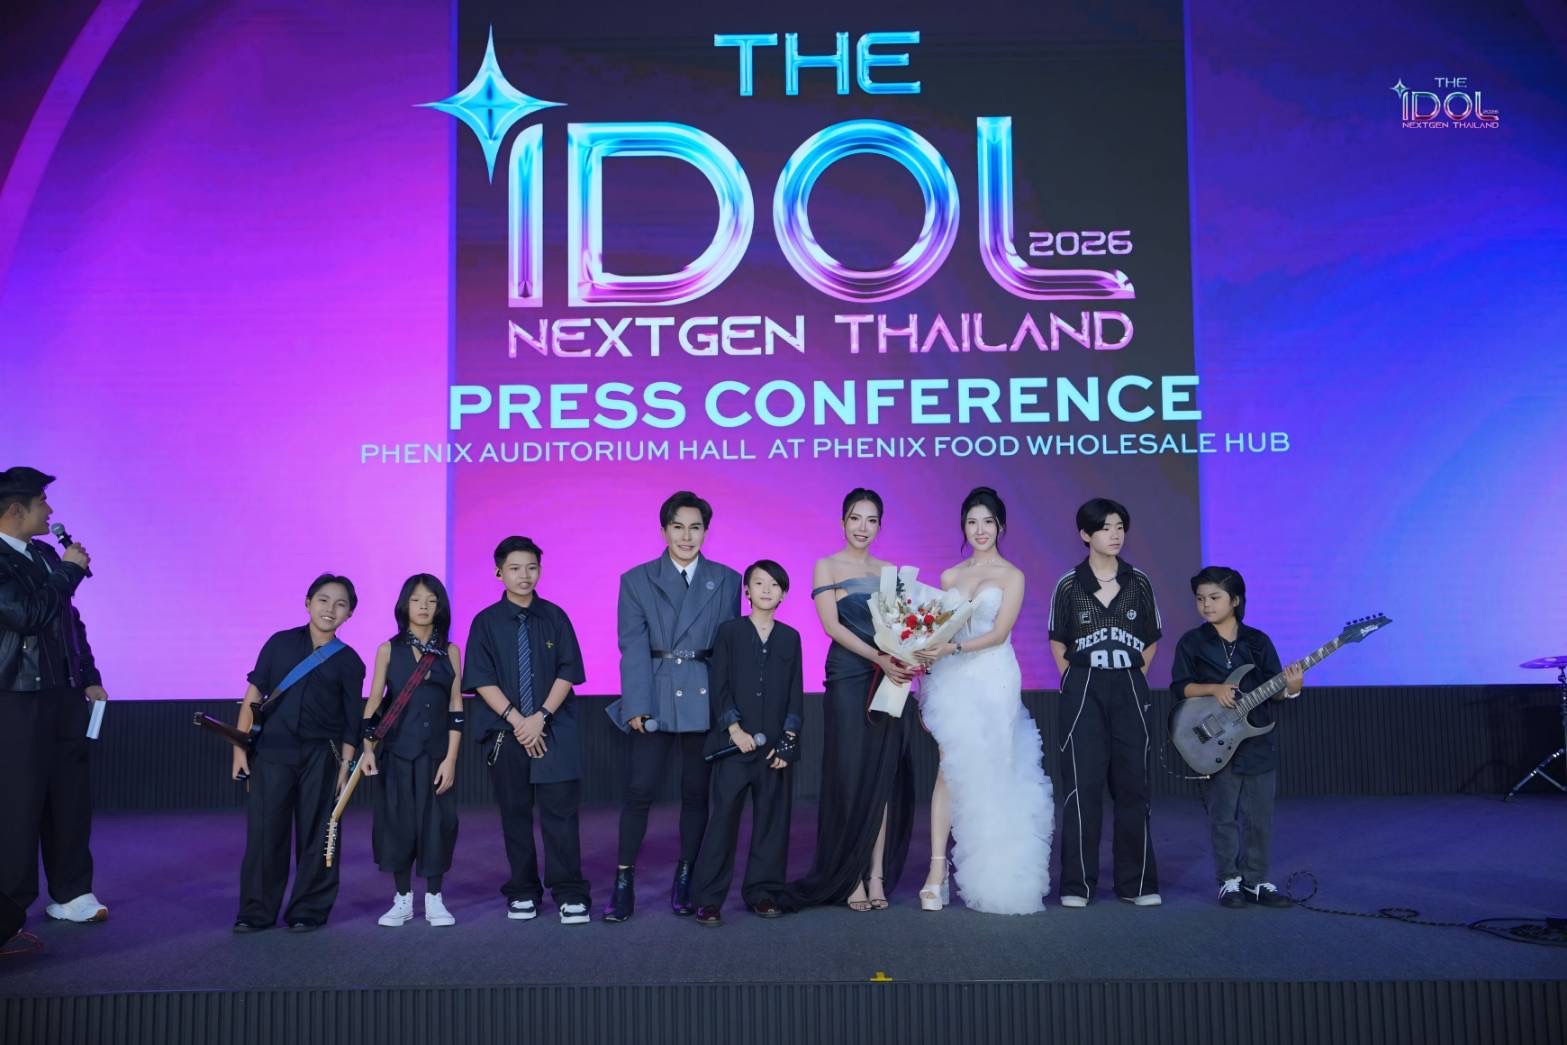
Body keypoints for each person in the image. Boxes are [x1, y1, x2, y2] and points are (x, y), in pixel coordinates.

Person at [604, 492, 742, 923]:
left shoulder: (727, 579)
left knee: (696, 794)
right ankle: (623, 880)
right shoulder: (637, 579)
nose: (687, 536)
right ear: (663, 530)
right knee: (639, 791)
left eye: (695, 527)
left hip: (704, 695)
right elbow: (632, 647)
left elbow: (727, 649)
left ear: (706, 531)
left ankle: (687, 877)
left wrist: (728, 710)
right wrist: (636, 706)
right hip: (655, 693)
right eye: (678, 527)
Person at [913, 487, 1052, 914]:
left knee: (995, 767)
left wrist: (952, 649)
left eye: (988, 522)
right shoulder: (949, 577)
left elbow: (998, 633)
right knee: (949, 770)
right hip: (952, 679)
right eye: (972, 522)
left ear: (1000, 527)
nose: (980, 530)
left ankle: (997, 871)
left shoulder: (1012, 576)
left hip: (994, 677)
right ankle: (937, 872)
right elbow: (939, 632)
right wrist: (926, 673)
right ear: (963, 527)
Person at [781, 488, 915, 913]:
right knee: (849, 773)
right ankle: (849, 874)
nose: (863, 527)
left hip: (889, 678)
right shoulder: (827, 565)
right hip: (848, 675)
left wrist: (909, 656)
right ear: (842, 522)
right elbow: (832, 627)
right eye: (855, 518)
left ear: (880, 526)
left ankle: (875, 875)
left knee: (881, 776)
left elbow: (903, 628)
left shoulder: (890, 571)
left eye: (872, 520)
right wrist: (879, 657)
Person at [0, 467, 109, 926]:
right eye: (42, 502)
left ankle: (72, 891)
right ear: (15, 510)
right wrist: (69, 571)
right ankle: (10, 904)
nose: (50, 510)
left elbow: (69, 622)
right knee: (20, 799)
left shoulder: (45, 554)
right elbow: (26, 614)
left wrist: (88, 675)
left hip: (64, 694)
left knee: (70, 797)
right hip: (18, 697)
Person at [464, 536, 591, 925]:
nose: (524, 576)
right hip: (507, 733)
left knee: (560, 813)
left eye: (532, 567)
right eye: (515, 568)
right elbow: (480, 679)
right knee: (515, 814)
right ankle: (522, 890)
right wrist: (520, 722)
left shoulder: (555, 616)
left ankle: (569, 892)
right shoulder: (485, 622)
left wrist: (540, 718)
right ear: (498, 572)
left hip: (553, 728)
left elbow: (569, 670)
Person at [231, 574, 366, 932]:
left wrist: (345, 767)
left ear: (350, 614)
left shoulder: (350, 661)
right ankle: (255, 911)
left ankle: (309, 909)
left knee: (319, 833)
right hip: (272, 751)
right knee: (265, 834)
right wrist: (240, 748)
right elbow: (253, 696)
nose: (330, 609)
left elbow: (351, 721)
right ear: (308, 603)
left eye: (340, 604)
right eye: (323, 600)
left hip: (323, 756)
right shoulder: (279, 643)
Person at [1047, 497, 1163, 908]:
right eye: (1105, 528)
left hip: (1128, 684)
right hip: (1084, 688)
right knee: (1083, 787)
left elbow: (1151, 639)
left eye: (1120, 527)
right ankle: (1077, 885)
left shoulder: (1139, 581)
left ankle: (1137, 884)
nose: (1115, 535)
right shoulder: (1069, 584)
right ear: (1085, 534)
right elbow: (1058, 642)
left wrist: (1132, 676)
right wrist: (1076, 681)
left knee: (1133, 785)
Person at [1170, 566, 1301, 909]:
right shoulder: (1192, 642)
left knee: (1260, 817)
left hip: (1256, 739)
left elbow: (1275, 690)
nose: (1206, 605)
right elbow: (1180, 687)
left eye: (1214, 597)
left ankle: (1255, 881)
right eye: (1200, 599)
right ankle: (1229, 881)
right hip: (1218, 741)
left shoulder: (1258, 642)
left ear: (1236, 600)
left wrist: (1292, 688)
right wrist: (1214, 689)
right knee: (1223, 814)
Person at [690, 561, 804, 926]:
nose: (766, 590)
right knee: (722, 821)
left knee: (772, 822)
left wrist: (788, 742)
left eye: (774, 584)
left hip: (773, 749)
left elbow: (795, 692)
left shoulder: (790, 637)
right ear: (747, 591)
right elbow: (719, 684)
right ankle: (708, 899)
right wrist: (734, 729)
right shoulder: (730, 632)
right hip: (735, 747)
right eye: (759, 583)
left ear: (783, 594)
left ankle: (763, 893)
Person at [357, 574, 465, 927]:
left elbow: (456, 706)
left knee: (438, 824)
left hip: (437, 753)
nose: (423, 606)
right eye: (416, 600)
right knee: (397, 823)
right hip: (397, 751)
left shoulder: (451, 651)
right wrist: (368, 748)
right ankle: (402, 899)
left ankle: (434, 899)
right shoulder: (388, 649)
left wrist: (451, 759)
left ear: (440, 607)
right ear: (404, 605)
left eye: (431, 600)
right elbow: (375, 701)